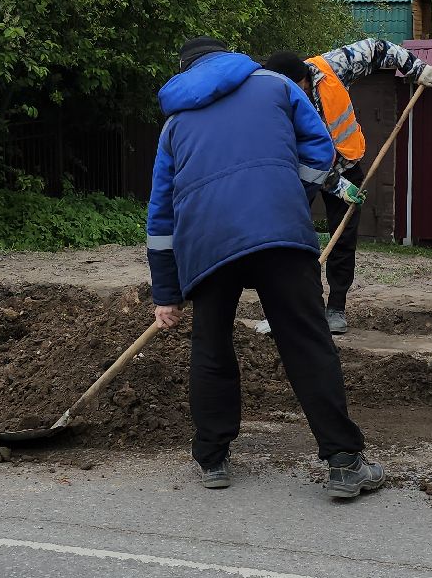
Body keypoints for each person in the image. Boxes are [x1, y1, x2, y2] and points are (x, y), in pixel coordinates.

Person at [147, 36, 384, 500]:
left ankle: (212, 457)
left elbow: (161, 212)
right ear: (230, 55)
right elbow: (321, 151)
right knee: (306, 341)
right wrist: (287, 197)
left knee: (211, 345)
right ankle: (343, 463)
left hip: (206, 242)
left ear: (186, 71)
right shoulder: (277, 86)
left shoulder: (175, 123)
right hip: (279, 233)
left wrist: (166, 292)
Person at [258, 38, 432, 334]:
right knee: (292, 240)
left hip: (348, 165)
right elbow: (296, 157)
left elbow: (377, 48)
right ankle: (294, 309)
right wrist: (334, 185)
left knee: (343, 239)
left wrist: (414, 68)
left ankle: (335, 309)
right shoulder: (276, 101)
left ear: (301, 78)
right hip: (304, 175)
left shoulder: (333, 67)